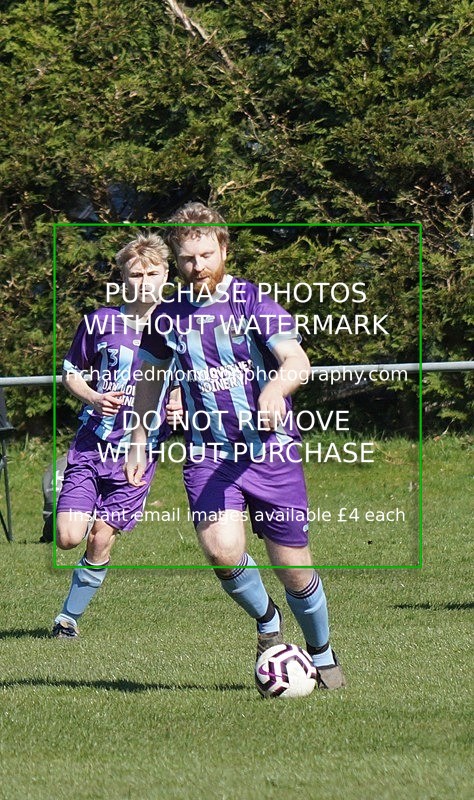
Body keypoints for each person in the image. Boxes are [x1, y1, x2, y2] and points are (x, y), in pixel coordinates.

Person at [126, 204, 345, 689]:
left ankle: (322, 653)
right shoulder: (168, 316)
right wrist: (139, 440)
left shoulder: (253, 301)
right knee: (222, 550)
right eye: (186, 258)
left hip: (271, 451)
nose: (197, 266)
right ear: (176, 261)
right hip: (209, 452)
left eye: (206, 254)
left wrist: (273, 390)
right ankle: (268, 622)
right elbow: (147, 377)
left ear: (223, 249)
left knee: (293, 567)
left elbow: (296, 359)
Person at [52, 233, 177, 638]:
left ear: (166, 274)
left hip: (138, 453)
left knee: (101, 538)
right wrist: (93, 396)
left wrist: (178, 400)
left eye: (152, 273)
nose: (144, 281)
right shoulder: (100, 322)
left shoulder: (179, 324)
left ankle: (67, 619)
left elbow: (200, 374)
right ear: (123, 276)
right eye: (136, 273)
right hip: (92, 444)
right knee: (70, 537)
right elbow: (70, 371)